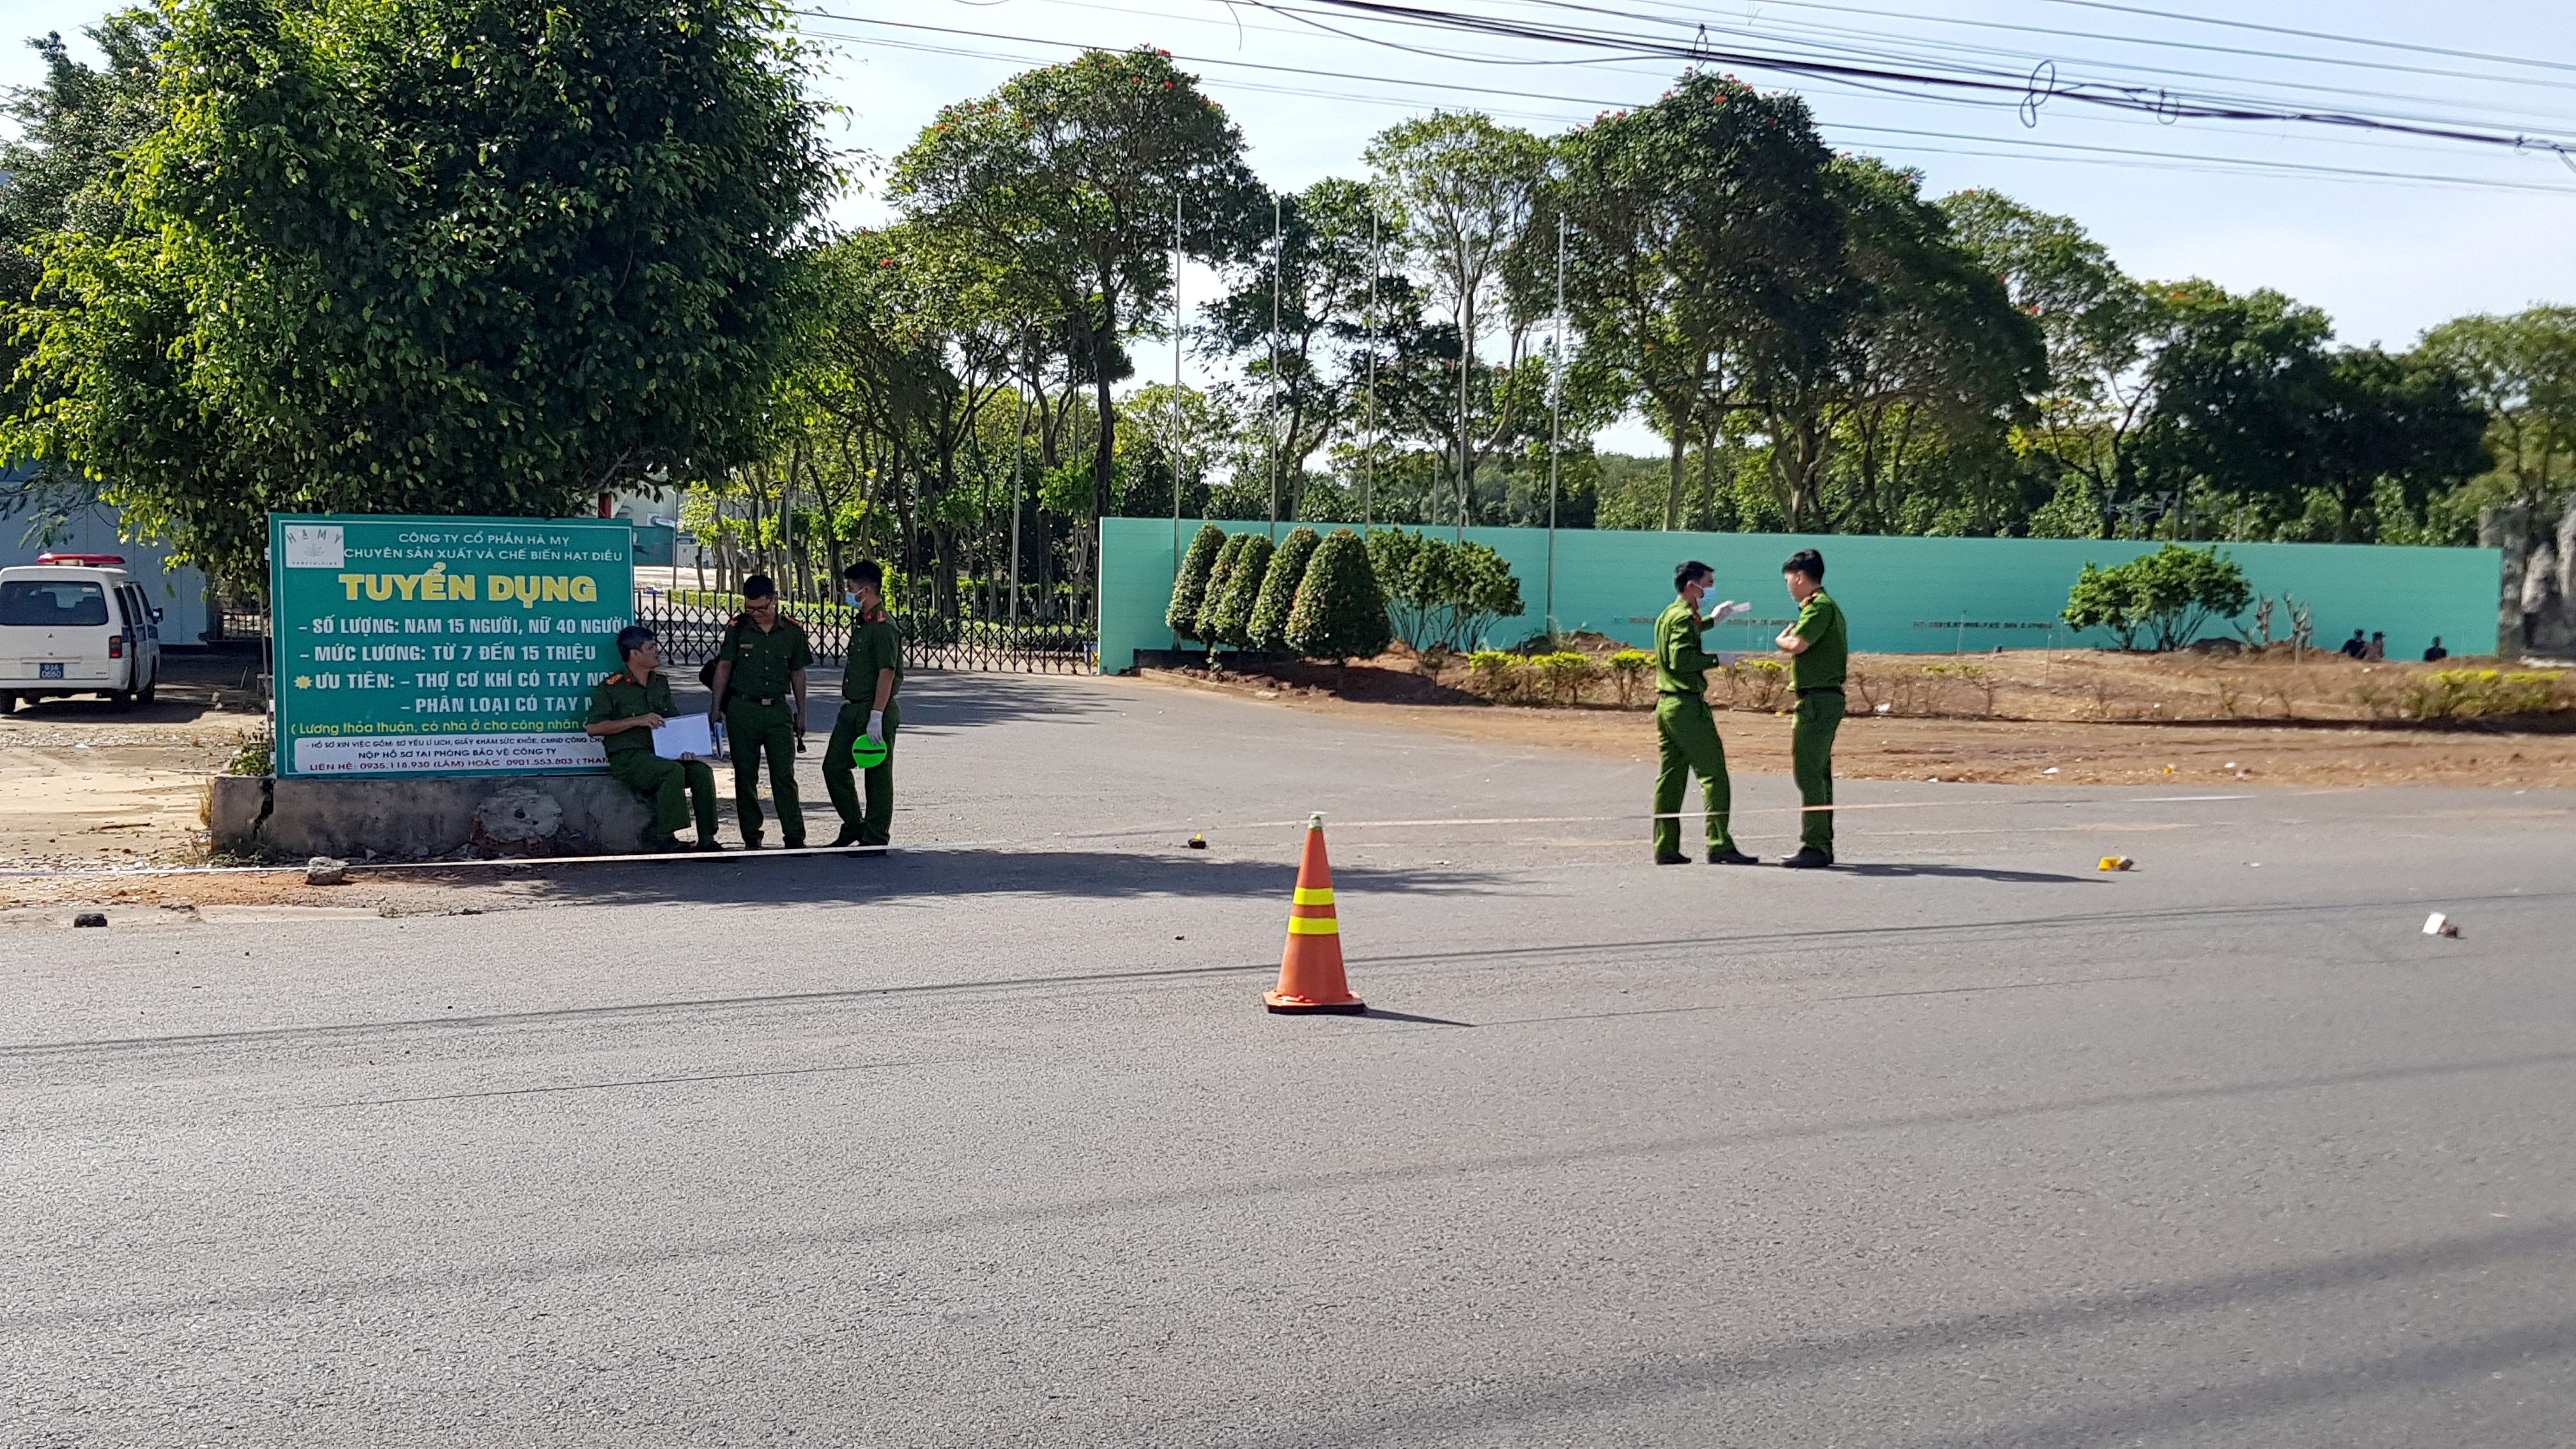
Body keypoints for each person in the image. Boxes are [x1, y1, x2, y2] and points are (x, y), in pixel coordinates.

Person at [1651, 561, 1757, 866]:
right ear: (1691, 586)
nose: (1711, 589)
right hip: (1686, 705)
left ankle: (1665, 845)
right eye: (1707, 584)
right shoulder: (1683, 618)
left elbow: (1689, 629)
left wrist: (1713, 620)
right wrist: (1717, 660)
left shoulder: (1669, 615)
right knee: (1714, 775)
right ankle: (1719, 842)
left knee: (1671, 779)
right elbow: (1681, 659)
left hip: (1667, 704)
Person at [585, 625, 721, 852]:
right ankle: (664, 837)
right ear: (634, 654)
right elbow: (594, 727)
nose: (658, 651)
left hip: (662, 754)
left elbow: (673, 722)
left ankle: (707, 840)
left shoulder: (660, 683)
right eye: (651, 647)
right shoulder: (612, 688)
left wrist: (685, 749)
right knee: (671, 772)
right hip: (630, 759)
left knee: (701, 772)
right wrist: (636, 721)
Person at [706, 574, 812, 850]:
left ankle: (794, 835)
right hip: (743, 710)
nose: (756, 614)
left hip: (777, 710)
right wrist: (715, 709)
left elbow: (798, 673)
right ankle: (752, 836)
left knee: (783, 775)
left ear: (774, 600)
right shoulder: (738, 629)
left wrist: (802, 712)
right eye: (750, 608)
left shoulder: (792, 631)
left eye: (762, 608)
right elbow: (724, 668)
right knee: (745, 775)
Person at [1774, 548, 1847, 870]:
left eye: (1789, 579)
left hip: (1818, 699)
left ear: (1801, 577)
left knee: (1808, 770)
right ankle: (1821, 842)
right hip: (1820, 698)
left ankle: (1816, 844)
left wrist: (1781, 640)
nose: (1789, 586)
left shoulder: (1819, 608)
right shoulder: (1821, 607)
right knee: (1817, 772)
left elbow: (1799, 644)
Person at [824, 560, 903, 852]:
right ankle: (854, 824)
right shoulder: (865, 622)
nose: (848, 593)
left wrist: (877, 716)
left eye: (851, 589)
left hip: (875, 708)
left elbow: (887, 672)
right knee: (833, 766)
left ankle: (875, 835)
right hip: (853, 707)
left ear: (866, 591)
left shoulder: (883, 625)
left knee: (877, 774)